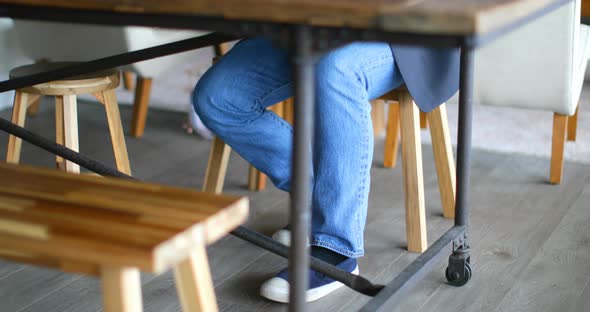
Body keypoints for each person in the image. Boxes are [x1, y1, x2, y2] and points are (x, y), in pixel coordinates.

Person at [192, 37, 459, 303]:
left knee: (337, 70)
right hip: (307, 26)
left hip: (401, 38)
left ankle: (336, 250)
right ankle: (318, 199)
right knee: (218, 96)